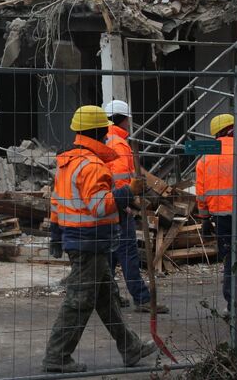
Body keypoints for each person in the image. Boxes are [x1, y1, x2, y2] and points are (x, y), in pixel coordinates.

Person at [43, 105, 156, 373]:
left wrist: (56, 235)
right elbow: (100, 206)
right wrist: (128, 191)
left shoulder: (67, 162)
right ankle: (56, 356)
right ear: (98, 131)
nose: (107, 136)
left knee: (107, 300)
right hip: (89, 242)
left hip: (81, 240)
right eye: (104, 131)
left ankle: (130, 347)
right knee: (79, 301)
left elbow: (57, 204)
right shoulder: (92, 164)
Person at [103, 100, 170, 314]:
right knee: (128, 252)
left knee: (112, 254)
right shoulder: (119, 144)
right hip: (119, 205)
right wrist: (128, 203)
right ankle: (142, 298)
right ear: (123, 119)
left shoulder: (105, 139)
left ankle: (108, 295)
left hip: (108, 203)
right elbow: (122, 179)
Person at [196, 114, 235, 312]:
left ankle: (232, 303)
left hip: (220, 217)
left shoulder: (206, 156)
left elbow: (201, 193)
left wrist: (204, 219)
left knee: (229, 258)